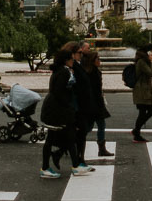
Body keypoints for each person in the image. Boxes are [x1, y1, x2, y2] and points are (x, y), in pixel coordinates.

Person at [39, 43, 93, 178]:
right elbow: (59, 92)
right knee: (52, 138)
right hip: (56, 110)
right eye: (70, 58)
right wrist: (68, 106)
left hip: (56, 108)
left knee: (69, 137)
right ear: (65, 60)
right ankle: (46, 167)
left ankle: (75, 165)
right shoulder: (63, 72)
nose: (72, 61)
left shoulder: (62, 70)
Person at [80, 49, 112, 157]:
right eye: (98, 58)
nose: (100, 60)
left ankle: (101, 148)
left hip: (94, 104)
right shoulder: (92, 73)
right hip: (94, 105)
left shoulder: (91, 71)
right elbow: (93, 91)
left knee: (97, 125)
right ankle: (68, 147)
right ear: (92, 61)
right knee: (89, 127)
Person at [69, 42, 94, 162]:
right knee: (80, 134)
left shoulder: (78, 64)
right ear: (72, 54)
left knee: (80, 134)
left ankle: (79, 160)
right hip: (78, 106)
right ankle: (79, 161)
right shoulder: (72, 67)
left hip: (82, 105)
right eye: (79, 52)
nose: (81, 54)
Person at [131, 44, 152, 143]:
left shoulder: (142, 60)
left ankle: (136, 132)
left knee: (144, 112)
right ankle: (136, 133)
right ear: (148, 52)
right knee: (148, 111)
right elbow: (151, 73)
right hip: (142, 91)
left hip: (143, 90)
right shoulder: (142, 61)